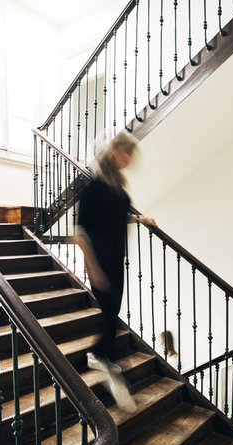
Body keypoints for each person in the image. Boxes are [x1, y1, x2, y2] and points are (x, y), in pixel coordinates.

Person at [75, 131, 156, 412]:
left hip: (115, 259)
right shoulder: (94, 186)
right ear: (114, 152)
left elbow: (114, 215)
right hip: (100, 262)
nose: (128, 159)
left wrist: (139, 218)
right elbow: (80, 232)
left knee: (114, 312)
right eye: (126, 153)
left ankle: (101, 356)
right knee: (110, 315)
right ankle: (101, 358)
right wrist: (92, 269)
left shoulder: (116, 185)